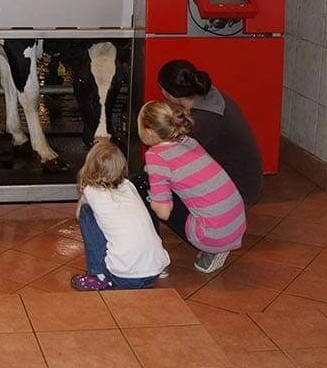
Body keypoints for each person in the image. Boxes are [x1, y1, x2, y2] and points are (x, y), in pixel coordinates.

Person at [140, 100, 245, 274]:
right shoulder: (188, 141)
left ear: (150, 132)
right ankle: (216, 244)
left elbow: (163, 212)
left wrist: (151, 194)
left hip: (212, 235)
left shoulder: (156, 156)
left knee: (142, 186)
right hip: (235, 224)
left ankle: (156, 257)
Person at [157, 60, 263, 205]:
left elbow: (169, 158)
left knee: (160, 184)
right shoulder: (211, 95)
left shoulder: (203, 121)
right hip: (245, 183)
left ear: (170, 94)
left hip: (236, 194)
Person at [70, 139, 170, 292]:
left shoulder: (91, 191)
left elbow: (78, 215)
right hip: (154, 272)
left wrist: (84, 197)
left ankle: (99, 276)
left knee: (86, 213)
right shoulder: (129, 186)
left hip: (125, 277)